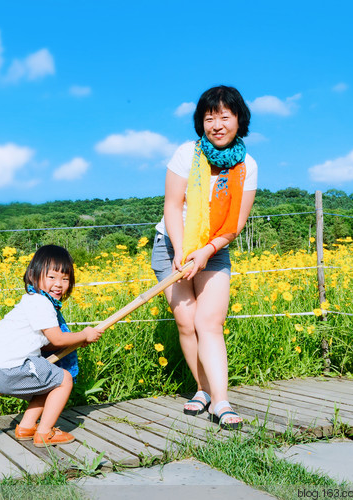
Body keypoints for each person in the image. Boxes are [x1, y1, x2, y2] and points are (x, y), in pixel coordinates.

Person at [151, 85, 257, 430]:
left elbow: (235, 225)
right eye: (210, 117)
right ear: (201, 122)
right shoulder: (187, 153)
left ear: (239, 120)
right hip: (173, 245)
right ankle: (202, 390)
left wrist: (205, 252)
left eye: (225, 116)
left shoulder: (248, 166)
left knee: (209, 322)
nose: (217, 124)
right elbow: (172, 205)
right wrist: (182, 254)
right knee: (186, 321)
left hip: (214, 249)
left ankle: (221, 401)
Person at [0, 244, 104, 446]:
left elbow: (46, 344)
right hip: (12, 369)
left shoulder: (31, 300)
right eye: (52, 277)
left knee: (49, 380)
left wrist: (77, 341)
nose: (59, 284)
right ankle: (45, 433)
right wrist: (84, 334)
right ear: (33, 275)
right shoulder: (42, 303)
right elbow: (57, 339)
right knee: (63, 379)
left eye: (65, 279)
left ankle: (26, 427)